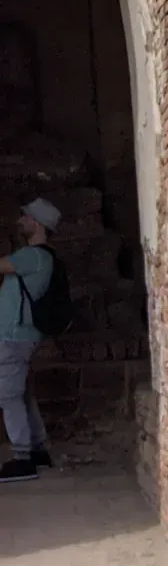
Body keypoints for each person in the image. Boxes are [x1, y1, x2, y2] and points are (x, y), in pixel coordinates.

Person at [0, 197, 59, 482]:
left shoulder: (32, 256)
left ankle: (22, 459)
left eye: (24, 217)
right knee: (23, 393)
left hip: (14, 335)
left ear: (36, 222)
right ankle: (37, 449)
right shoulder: (44, 256)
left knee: (7, 394)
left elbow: (2, 266)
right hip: (23, 335)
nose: (20, 221)